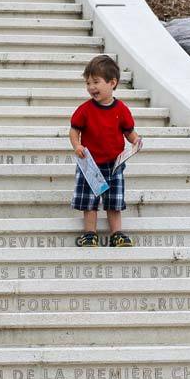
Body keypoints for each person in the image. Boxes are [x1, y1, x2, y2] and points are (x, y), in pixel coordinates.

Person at [69, 55, 141, 247]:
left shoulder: (121, 109)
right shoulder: (85, 110)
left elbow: (129, 131)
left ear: (112, 83)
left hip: (114, 164)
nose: (91, 87)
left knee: (114, 201)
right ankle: (90, 233)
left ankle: (116, 233)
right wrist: (77, 145)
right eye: (88, 82)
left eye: (96, 82)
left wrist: (135, 141)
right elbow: (74, 130)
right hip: (90, 163)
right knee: (89, 201)